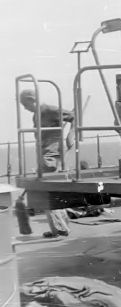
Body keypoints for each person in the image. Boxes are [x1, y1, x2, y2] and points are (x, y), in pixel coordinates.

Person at [19, 89, 75, 238]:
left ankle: (60, 228)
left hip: (52, 154)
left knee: (46, 192)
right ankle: (59, 227)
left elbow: (74, 116)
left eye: (25, 104)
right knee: (50, 191)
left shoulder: (49, 110)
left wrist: (71, 133)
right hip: (44, 154)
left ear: (32, 100)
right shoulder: (36, 115)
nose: (24, 108)